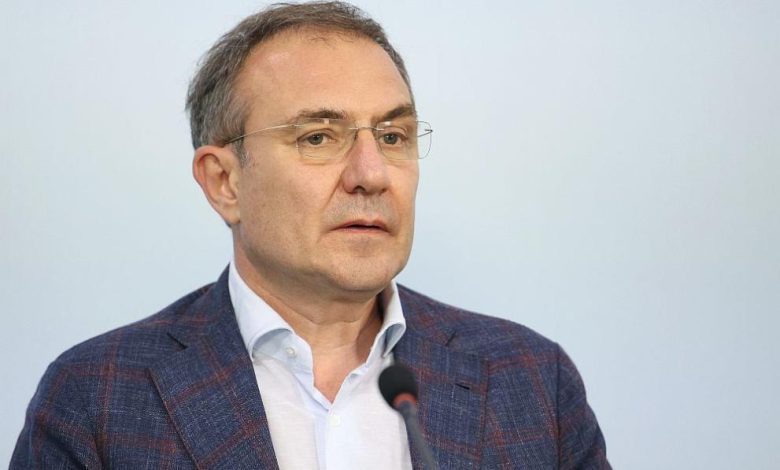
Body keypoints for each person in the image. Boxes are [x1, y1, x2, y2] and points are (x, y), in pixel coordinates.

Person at [11, 2, 609, 468]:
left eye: (393, 137)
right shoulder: (97, 396)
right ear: (224, 181)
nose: (372, 175)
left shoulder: (532, 380)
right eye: (318, 138)